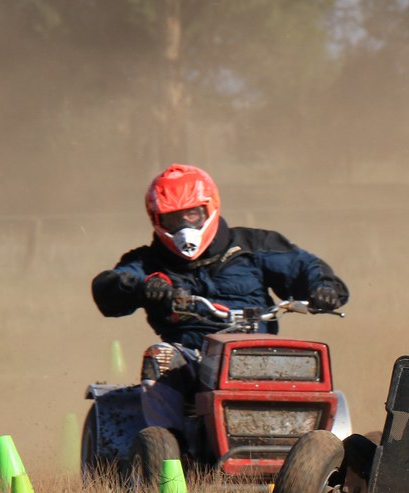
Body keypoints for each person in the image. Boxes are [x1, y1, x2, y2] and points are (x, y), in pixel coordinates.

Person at [92, 163, 348, 439]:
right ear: (156, 220)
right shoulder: (147, 262)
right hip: (191, 356)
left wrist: (324, 289)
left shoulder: (254, 244)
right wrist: (143, 287)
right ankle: (169, 448)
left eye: (192, 214)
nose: (185, 227)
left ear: (210, 207)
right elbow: (108, 288)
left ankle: (310, 441)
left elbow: (305, 268)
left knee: (308, 361)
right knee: (160, 355)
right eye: (174, 219)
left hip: (259, 350)